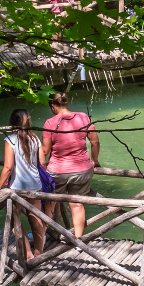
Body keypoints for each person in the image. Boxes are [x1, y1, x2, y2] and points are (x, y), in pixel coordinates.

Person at [0, 109, 50, 261]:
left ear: (12, 122)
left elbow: (8, 167)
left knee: (13, 220)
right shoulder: (35, 139)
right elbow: (42, 163)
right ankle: (39, 254)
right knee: (36, 219)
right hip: (35, 185)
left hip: (18, 188)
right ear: (28, 121)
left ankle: (27, 253)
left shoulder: (10, 140)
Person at [41, 91, 100, 237]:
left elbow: (46, 150)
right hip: (82, 170)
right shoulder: (83, 117)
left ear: (52, 106)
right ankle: (78, 241)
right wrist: (95, 160)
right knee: (77, 203)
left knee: (50, 203)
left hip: (57, 171)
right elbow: (95, 141)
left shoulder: (50, 123)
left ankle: (42, 236)